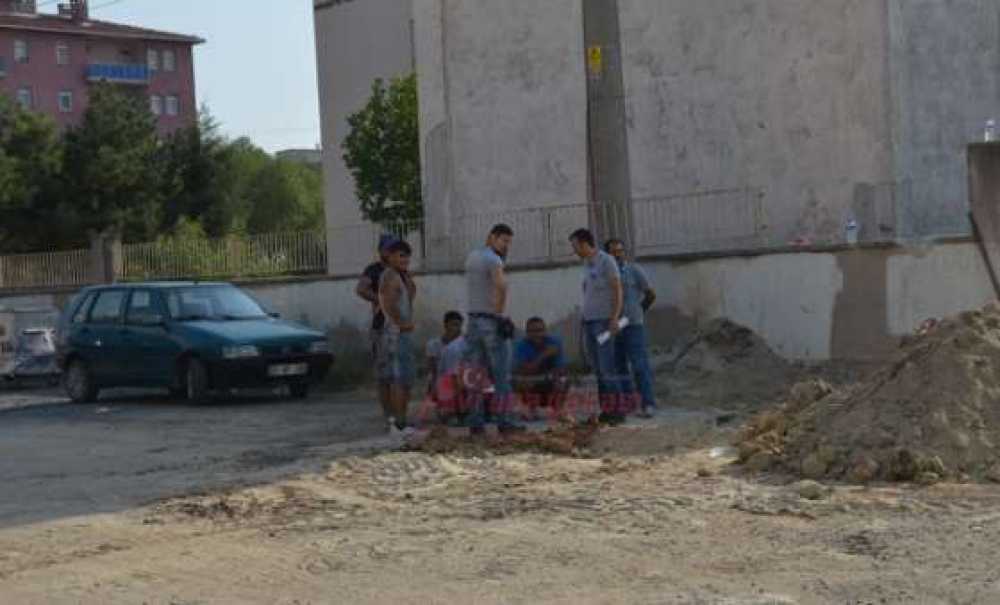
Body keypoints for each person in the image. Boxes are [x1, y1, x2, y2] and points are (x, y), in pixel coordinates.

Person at [462, 224, 525, 436]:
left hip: (472, 320)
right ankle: (505, 421)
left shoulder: (472, 256)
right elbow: (501, 285)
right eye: (504, 241)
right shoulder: (493, 259)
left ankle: (475, 421)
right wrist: (499, 314)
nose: (506, 246)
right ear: (492, 237)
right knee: (501, 375)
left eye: (508, 242)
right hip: (489, 320)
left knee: (475, 375)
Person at [569, 228, 627, 425]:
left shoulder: (606, 261)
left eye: (575, 246)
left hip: (604, 322)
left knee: (607, 367)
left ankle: (618, 411)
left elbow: (618, 290)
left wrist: (614, 318)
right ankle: (606, 410)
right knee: (597, 369)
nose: (574, 250)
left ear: (585, 244)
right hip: (589, 322)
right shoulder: (586, 264)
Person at [606, 239, 659, 418]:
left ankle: (648, 403)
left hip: (633, 324)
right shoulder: (605, 275)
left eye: (620, 251)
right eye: (614, 252)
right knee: (619, 365)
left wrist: (638, 311)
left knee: (639, 365)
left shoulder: (633, 270)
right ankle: (629, 403)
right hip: (614, 326)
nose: (618, 254)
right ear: (607, 255)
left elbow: (651, 294)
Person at [356, 234, 399, 424]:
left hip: (399, 325)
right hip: (381, 326)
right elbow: (361, 289)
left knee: (399, 373)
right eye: (389, 249)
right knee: (384, 375)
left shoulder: (400, 269)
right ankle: (388, 414)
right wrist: (380, 300)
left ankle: (399, 413)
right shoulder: (374, 270)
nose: (392, 252)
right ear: (381, 251)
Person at [377, 239, 417, 434]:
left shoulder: (401, 275)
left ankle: (401, 420)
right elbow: (387, 303)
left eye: (407, 256)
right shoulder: (389, 276)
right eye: (401, 255)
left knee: (405, 378)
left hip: (403, 333)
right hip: (396, 334)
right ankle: (398, 423)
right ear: (390, 256)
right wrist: (401, 324)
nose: (405, 259)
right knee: (398, 379)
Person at [513, 317, 569, 422]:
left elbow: (561, 368)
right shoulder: (521, 345)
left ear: (545, 331)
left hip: (548, 380)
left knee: (563, 379)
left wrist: (551, 374)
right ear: (527, 333)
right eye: (532, 331)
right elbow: (523, 370)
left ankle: (558, 410)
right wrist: (543, 355)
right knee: (519, 381)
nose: (536, 334)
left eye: (539, 330)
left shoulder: (554, 342)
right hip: (532, 381)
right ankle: (531, 410)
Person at [425, 311, 465, 421]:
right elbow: (432, 369)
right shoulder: (433, 344)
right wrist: (433, 386)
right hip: (442, 380)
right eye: (454, 325)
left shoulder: (463, 345)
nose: (457, 329)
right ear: (445, 325)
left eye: (459, 325)